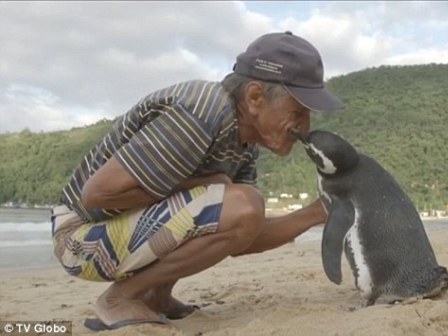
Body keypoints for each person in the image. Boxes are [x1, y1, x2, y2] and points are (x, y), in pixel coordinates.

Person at [50, 31, 343, 330]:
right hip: (78, 238)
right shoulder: (202, 110)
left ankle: (156, 296)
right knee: (238, 199)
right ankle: (119, 298)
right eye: (298, 112)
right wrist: (206, 184)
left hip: (112, 233)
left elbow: (242, 234)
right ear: (255, 97)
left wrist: (317, 213)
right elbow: (97, 196)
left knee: (240, 203)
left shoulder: (243, 143)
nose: (305, 127)